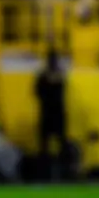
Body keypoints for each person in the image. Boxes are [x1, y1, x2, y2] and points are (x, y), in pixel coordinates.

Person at [35, 50, 67, 180]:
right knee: (44, 146)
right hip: (47, 113)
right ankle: (44, 174)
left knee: (60, 144)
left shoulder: (59, 76)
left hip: (56, 113)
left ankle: (63, 175)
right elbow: (37, 92)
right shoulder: (44, 76)